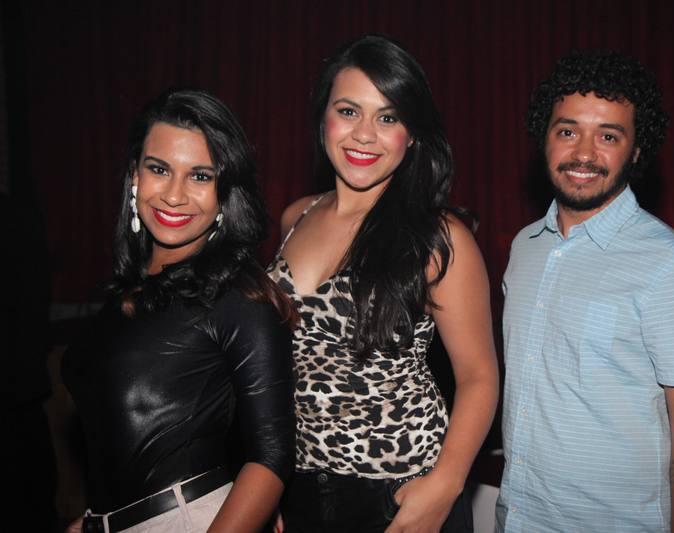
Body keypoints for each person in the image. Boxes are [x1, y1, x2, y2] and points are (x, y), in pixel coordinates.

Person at [268, 34, 499, 533]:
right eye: (349, 111)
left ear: (412, 134)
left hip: (400, 492)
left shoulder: (438, 238)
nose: (364, 135)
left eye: (388, 117)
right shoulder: (294, 217)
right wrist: (271, 480)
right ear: (323, 118)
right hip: (300, 488)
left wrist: (446, 484)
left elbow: (479, 376)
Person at [497, 50, 674, 532]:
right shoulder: (524, 248)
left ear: (636, 151)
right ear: (544, 138)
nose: (584, 154)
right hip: (518, 518)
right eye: (567, 131)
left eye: (608, 136)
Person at [62, 88, 295, 533]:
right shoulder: (126, 291)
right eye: (159, 169)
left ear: (225, 193)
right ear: (134, 175)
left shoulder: (239, 298)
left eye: (200, 176)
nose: (174, 195)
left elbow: (272, 455)